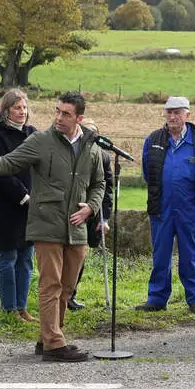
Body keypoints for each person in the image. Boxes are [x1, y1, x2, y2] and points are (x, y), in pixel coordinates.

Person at [0, 92, 104, 362]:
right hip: (46, 222)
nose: (59, 117)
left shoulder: (91, 146)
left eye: (66, 113)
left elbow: (99, 183)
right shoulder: (41, 140)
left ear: (79, 118)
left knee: (67, 287)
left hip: (77, 227)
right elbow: (9, 161)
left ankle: (47, 337)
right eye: (57, 111)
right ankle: (54, 344)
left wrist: (91, 207)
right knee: (50, 284)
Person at [136, 96, 195, 315]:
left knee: (191, 254)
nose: (172, 117)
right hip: (162, 207)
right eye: (169, 112)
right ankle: (156, 299)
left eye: (177, 113)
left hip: (191, 207)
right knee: (160, 254)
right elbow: (148, 172)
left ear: (187, 115)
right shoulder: (154, 139)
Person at [0, 89, 38, 322]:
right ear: (6, 110)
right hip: (7, 205)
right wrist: (23, 196)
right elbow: (0, 171)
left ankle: (22, 306)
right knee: (8, 257)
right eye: (17, 108)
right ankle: (9, 308)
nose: (22, 112)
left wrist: (34, 196)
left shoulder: (32, 134)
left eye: (24, 107)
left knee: (26, 258)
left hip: (31, 204)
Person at [72, 119, 114, 311]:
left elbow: (107, 189)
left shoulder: (103, 157)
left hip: (93, 212)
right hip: (73, 209)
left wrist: (104, 219)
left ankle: (71, 294)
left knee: (81, 254)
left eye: (93, 133)